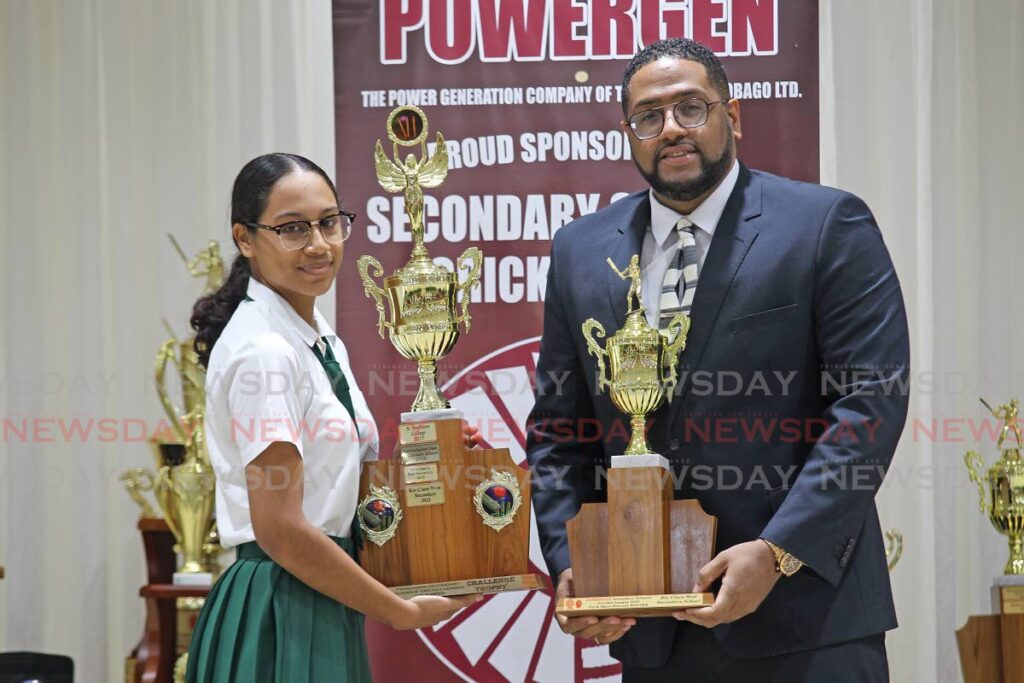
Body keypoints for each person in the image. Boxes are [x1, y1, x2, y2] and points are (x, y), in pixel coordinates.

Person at [526, 39, 910, 681]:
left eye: (690, 108)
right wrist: (575, 566)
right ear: (629, 134)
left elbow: (869, 406)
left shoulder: (823, 225)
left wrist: (778, 552)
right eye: (648, 116)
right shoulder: (579, 250)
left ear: (732, 118)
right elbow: (559, 430)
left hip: (805, 622)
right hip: (653, 633)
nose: (670, 128)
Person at [185, 153, 478, 682]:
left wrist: (436, 458)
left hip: (317, 590)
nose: (319, 244)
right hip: (282, 602)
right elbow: (281, 528)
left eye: (329, 222)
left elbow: (339, 486)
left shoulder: (317, 337)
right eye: (292, 229)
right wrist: (399, 611)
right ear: (245, 238)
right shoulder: (266, 352)